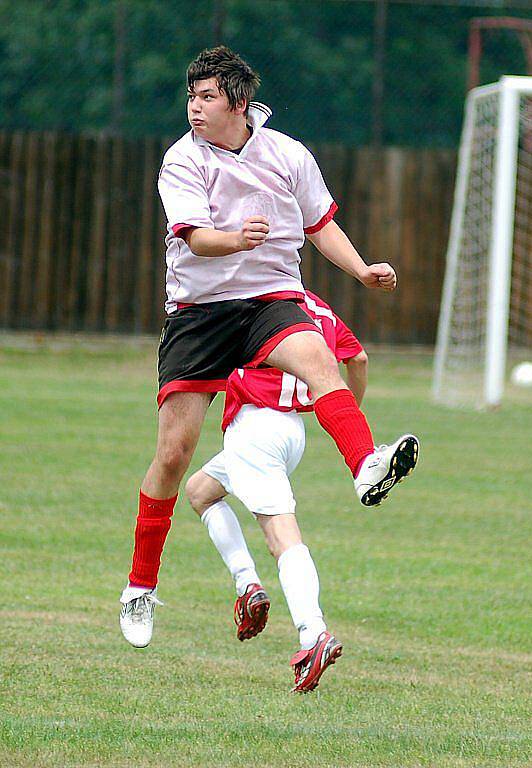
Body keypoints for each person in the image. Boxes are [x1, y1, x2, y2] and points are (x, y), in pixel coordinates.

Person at [119, 46, 419, 650]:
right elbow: (197, 240)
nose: (193, 108)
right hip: (199, 314)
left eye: (204, 97)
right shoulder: (182, 160)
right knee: (175, 455)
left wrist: (360, 270)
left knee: (318, 359)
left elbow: (320, 223)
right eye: (190, 97)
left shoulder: (288, 153)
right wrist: (235, 238)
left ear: (236, 101)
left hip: (267, 300)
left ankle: (364, 466)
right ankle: (139, 587)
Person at [185, 289, 376, 693]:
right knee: (201, 491)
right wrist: (344, 412)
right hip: (292, 432)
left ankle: (313, 635)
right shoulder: (320, 308)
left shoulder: (251, 302)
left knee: (281, 536)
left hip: (255, 428)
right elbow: (357, 359)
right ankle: (248, 585)